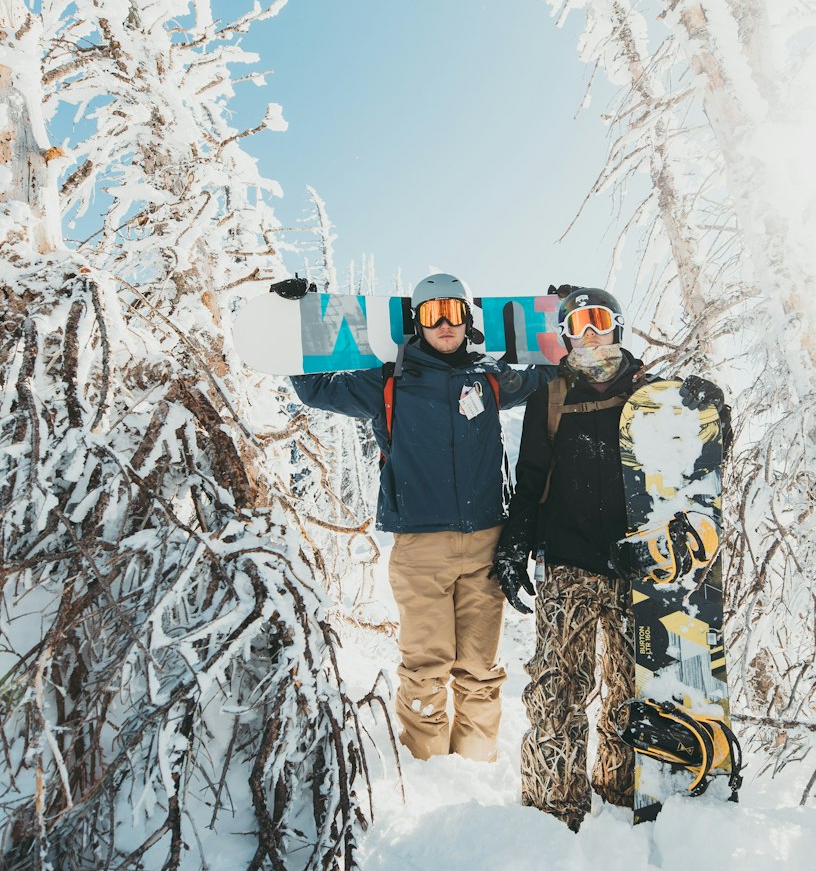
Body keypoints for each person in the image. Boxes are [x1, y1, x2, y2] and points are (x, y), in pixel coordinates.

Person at [278, 271, 555, 763]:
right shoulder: (390, 380)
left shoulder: (491, 377)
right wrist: (296, 317)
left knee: (480, 670)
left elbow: (553, 373)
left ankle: (473, 767)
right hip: (420, 548)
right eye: (432, 314)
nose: (445, 323)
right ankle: (428, 770)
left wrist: (560, 320)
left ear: (468, 321)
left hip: (487, 545)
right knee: (427, 668)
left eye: (453, 313)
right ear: (418, 322)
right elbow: (315, 390)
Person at [490, 286, 728, 830]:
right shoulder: (549, 396)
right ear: (566, 336)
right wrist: (515, 545)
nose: (589, 333)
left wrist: (713, 411)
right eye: (577, 324)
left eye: (598, 320)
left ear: (617, 327)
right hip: (569, 562)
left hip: (635, 570)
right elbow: (529, 482)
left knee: (627, 687)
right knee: (557, 684)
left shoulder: (652, 394)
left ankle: (622, 791)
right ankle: (552, 808)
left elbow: (696, 468)